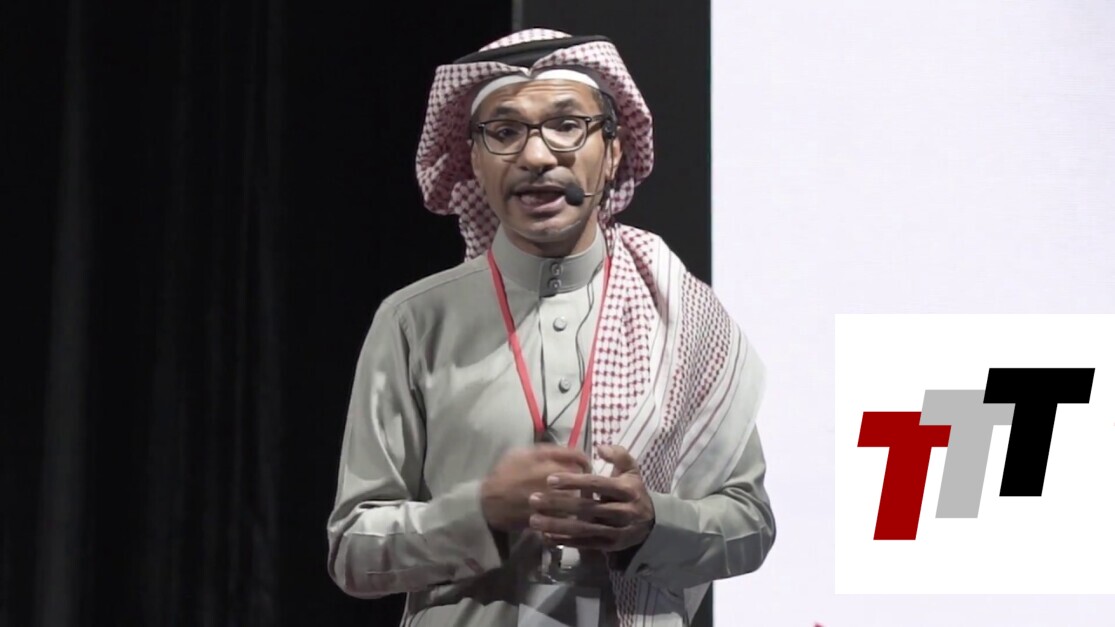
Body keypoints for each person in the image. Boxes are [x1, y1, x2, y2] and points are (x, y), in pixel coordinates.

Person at [326, 28, 775, 627]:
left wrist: (652, 525)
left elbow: (750, 524)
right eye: (505, 132)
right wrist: (481, 513)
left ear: (612, 153)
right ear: (475, 160)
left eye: (567, 126)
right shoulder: (414, 321)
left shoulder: (682, 315)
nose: (536, 157)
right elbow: (353, 551)